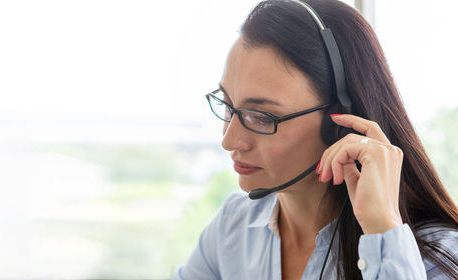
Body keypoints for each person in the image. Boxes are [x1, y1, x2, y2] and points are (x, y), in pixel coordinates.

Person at [172, 0, 458, 279]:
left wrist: (383, 230)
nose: (229, 141)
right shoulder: (233, 225)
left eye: (261, 117)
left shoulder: (437, 257)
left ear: (341, 122)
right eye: (227, 104)